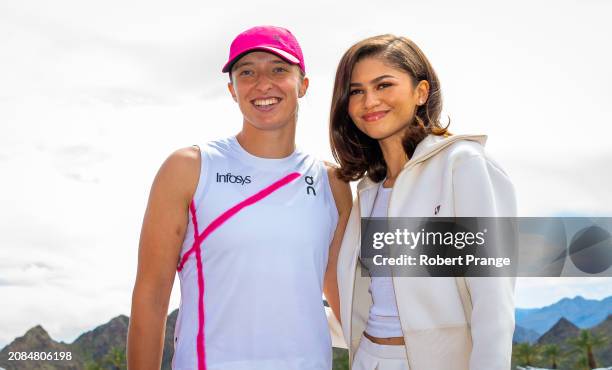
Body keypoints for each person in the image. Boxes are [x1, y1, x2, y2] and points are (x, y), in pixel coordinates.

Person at [127, 25, 351, 370]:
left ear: (303, 84)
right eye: (247, 72)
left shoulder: (332, 182)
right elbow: (151, 298)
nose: (263, 83)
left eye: (279, 69)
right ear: (233, 90)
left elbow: (345, 298)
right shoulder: (189, 168)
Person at [329, 34, 517, 370]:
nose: (369, 101)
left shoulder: (463, 165)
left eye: (383, 85)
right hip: (367, 360)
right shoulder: (368, 190)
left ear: (421, 92)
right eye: (356, 91)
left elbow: (493, 302)